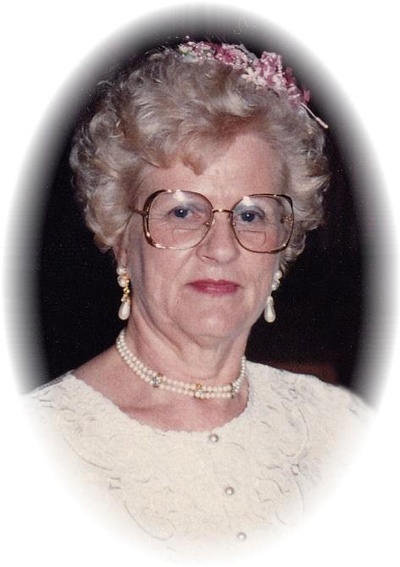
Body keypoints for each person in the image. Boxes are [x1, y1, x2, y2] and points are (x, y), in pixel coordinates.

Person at [25, 39, 368, 558]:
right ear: (121, 238)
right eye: (182, 212)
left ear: (282, 247)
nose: (221, 248)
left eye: (251, 215)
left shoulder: (344, 429)